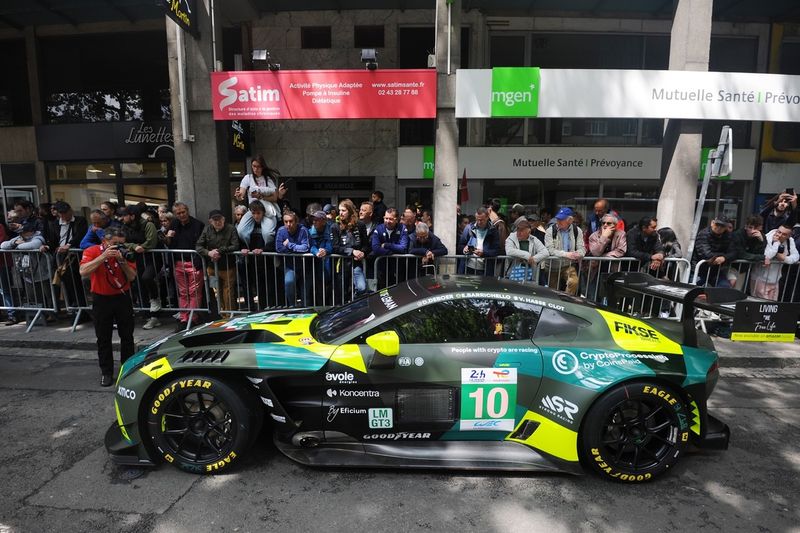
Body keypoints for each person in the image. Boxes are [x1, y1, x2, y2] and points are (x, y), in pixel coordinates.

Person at [78, 226, 136, 387]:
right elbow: (83, 271)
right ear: (105, 241)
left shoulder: (124, 253)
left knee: (127, 336)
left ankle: (127, 370)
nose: (118, 247)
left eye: (121, 243)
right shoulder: (92, 250)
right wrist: (103, 257)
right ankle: (106, 372)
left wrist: (122, 260)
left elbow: (132, 277)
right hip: (101, 299)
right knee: (103, 338)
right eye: (115, 243)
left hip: (122, 298)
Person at [1, 220, 52, 325]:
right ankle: (41, 315)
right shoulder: (20, 238)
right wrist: (14, 242)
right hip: (28, 273)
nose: (22, 234)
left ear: (31, 231)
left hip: (42, 272)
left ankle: (52, 313)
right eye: (21, 232)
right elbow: (3, 245)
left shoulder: (38, 237)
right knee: (32, 295)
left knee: (47, 294)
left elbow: (32, 245)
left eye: (24, 232)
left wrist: (16, 246)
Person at [42, 201, 88, 313]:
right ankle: (70, 308)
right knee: (62, 283)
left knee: (75, 283)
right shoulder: (54, 224)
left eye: (65, 213)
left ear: (70, 211)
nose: (64, 216)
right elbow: (53, 241)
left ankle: (80, 309)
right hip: (60, 257)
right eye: (61, 214)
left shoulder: (80, 221)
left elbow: (80, 235)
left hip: (73, 255)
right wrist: (47, 246)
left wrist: (69, 245)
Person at [165, 202, 205, 330]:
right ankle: (184, 318)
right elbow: (167, 243)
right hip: (178, 263)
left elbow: (201, 244)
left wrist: (196, 262)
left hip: (193, 262)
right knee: (183, 292)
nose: (182, 215)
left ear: (187, 211)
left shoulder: (197, 225)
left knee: (194, 292)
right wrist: (168, 237)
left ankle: (192, 318)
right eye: (178, 213)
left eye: (183, 212)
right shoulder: (174, 224)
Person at [119, 205, 161, 328]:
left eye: (124, 215)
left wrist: (142, 247)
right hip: (138, 259)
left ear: (132, 216)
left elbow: (151, 242)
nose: (122, 218)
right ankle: (150, 316)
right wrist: (134, 246)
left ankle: (155, 300)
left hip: (152, 258)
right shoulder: (125, 227)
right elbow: (123, 241)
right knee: (139, 285)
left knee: (147, 277)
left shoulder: (148, 225)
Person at [234, 155, 286, 250]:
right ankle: (249, 248)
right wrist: (239, 195)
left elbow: (275, 198)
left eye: (258, 166)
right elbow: (241, 194)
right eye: (253, 166)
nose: (255, 169)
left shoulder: (268, 179)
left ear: (262, 167)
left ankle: (267, 251)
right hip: (253, 209)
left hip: (267, 210)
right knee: (241, 231)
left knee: (268, 233)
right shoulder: (248, 178)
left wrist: (261, 196)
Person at [196, 209, 239, 319]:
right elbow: (198, 246)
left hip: (228, 267)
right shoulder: (207, 230)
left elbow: (235, 245)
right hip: (212, 268)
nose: (217, 222)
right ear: (210, 221)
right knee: (216, 292)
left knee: (228, 293)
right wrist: (209, 253)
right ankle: (222, 314)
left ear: (223, 219)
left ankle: (230, 315)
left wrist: (220, 251)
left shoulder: (231, 229)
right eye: (215, 220)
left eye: (219, 219)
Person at [239, 201, 276, 310]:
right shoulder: (248, 225)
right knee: (251, 286)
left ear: (263, 213)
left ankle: (268, 308)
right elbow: (240, 237)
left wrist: (263, 249)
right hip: (250, 261)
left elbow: (273, 241)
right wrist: (243, 249)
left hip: (266, 261)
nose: (256, 216)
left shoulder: (269, 225)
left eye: (258, 213)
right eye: (254, 213)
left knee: (266, 287)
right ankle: (252, 309)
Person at [750, 222, 799, 300]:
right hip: (760, 279)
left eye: (784, 234)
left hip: (775, 280)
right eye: (779, 232)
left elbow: (796, 256)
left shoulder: (790, 241)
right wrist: (776, 243)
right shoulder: (767, 238)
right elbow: (767, 256)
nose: (779, 235)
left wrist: (784, 258)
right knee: (762, 307)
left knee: (772, 308)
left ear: (789, 236)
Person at [543, 207, 585, 295]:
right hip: (553, 266)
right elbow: (549, 250)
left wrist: (578, 254)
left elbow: (582, 248)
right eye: (557, 218)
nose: (558, 221)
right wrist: (566, 254)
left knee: (573, 282)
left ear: (570, 220)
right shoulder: (550, 231)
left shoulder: (577, 230)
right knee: (553, 291)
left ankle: (566, 301)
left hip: (568, 265)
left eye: (561, 219)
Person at [586, 213, 627, 302]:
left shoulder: (621, 234)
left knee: (611, 297)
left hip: (612, 269)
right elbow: (596, 253)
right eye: (603, 223)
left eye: (609, 223)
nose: (605, 225)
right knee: (594, 298)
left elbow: (621, 251)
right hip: (596, 270)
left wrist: (603, 257)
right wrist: (604, 237)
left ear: (615, 225)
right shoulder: (593, 236)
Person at [334, 199, 369, 301]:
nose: (341, 213)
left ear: (350, 211)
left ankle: (355, 303)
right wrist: (352, 251)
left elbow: (366, 245)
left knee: (362, 287)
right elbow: (335, 247)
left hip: (356, 263)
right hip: (342, 264)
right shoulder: (335, 226)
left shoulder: (360, 225)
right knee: (342, 292)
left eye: (343, 210)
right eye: (340, 210)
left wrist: (363, 252)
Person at [692, 215, 737, 288]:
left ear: (725, 227)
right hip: (699, 271)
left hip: (716, 271)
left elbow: (734, 252)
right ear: (712, 223)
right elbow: (706, 254)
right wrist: (722, 256)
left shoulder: (728, 236)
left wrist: (724, 258)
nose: (719, 228)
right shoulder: (703, 234)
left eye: (722, 226)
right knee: (697, 292)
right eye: (717, 224)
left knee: (725, 288)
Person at [276, 211, 310, 306]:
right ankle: (292, 307)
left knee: (306, 294)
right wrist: (296, 249)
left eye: (291, 221)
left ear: (296, 221)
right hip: (290, 266)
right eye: (285, 221)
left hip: (306, 266)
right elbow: (279, 248)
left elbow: (305, 248)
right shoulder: (281, 231)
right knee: (289, 283)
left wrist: (289, 245)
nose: (288, 224)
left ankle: (305, 312)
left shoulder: (303, 230)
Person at [371, 208, 410, 288]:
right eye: (386, 218)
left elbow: (403, 248)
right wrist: (390, 253)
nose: (388, 221)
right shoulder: (379, 229)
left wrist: (386, 245)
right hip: (382, 268)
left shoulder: (402, 228)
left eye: (391, 219)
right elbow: (375, 248)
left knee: (399, 291)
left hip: (398, 268)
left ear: (396, 220)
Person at [307, 210, 337, 305]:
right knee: (317, 286)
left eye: (317, 220)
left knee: (329, 286)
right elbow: (310, 245)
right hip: (315, 264)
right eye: (313, 220)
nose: (314, 222)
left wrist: (326, 251)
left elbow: (331, 244)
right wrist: (316, 252)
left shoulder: (331, 229)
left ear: (324, 221)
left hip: (329, 264)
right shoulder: (310, 232)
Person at [459, 207, 500, 276]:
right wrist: (464, 249)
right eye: (477, 219)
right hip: (467, 267)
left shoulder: (493, 231)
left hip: (485, 270)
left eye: (482, 220)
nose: (479, 222)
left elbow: (496, 250)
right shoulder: (469, 228)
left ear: (487, 217)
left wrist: (483, 253)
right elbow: (460, 245)